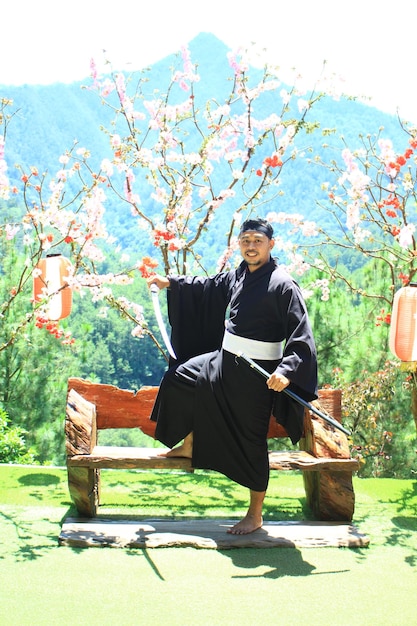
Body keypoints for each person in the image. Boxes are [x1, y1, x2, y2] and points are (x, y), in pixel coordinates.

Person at [147, 217, 318, 535]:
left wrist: (286, 371)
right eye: (246, 240)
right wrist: (170, 282)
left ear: (271, 244)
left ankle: (255, 514)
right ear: (240, 244)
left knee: (252, 439)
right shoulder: (240, 273)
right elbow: (209, 286)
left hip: (257, 375)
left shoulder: (283, 284)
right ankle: (190, 441)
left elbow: (301, 334)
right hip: (224, 360)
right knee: (179, 379)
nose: (251, 246)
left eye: (257, 241)